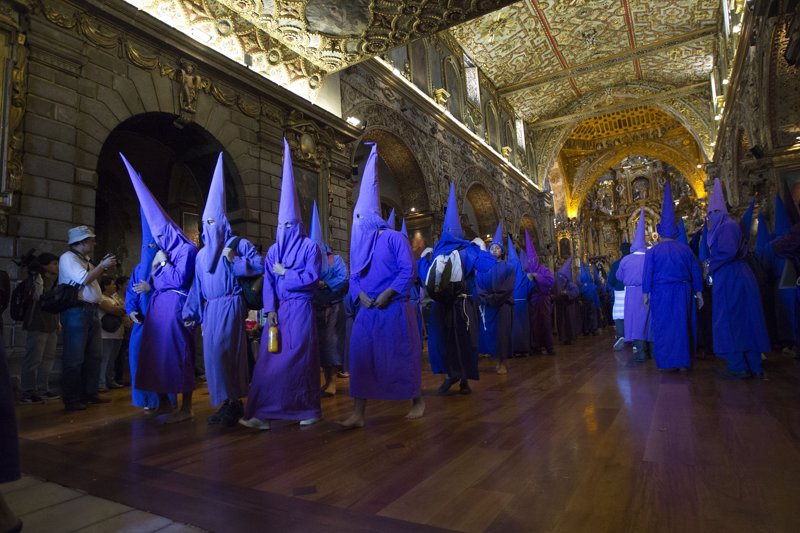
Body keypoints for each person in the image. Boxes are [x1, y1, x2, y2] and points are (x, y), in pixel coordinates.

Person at [240, 139, 322, 431]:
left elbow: (311, 277)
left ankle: (306, 407)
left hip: (300, 310)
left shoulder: (310, 247)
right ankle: (263, 412)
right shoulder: (274, 250)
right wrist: (269, 308)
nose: (285, 231)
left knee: (299, 358)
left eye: (290, 226)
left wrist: (285, 273)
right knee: (270, 361)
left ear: (297, 225)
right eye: (281, 226)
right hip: (280, 312)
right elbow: (268, 284)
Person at [340, 142, 423, 428]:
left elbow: (408, 270)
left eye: (361, 218)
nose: (358, 222)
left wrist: (388, 293)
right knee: (361, 357)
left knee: (400, 356)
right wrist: (359, 295)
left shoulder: (394, 239)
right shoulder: (360, 244)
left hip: (393, 308)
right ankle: (359, 412)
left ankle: (416, 399)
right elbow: (353, 276)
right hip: (368, 309)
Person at [183, 153, 263, 426]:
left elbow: (258, 265)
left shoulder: (238, 245)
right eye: (205, 223)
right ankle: (227, 401)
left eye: (213, 222)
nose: (209, 228)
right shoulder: (202, 255)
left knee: (227, 352)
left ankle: (234, 401)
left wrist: (235, 261)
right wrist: (192, 310)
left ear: (223, 223)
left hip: (231, 304)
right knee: (213, 356)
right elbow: (196, 285)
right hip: (211, 309)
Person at [122, 154, 198, 423]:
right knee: (159, 357)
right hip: (158, 309)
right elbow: (151, 282)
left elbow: (177, 280)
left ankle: (186, 408)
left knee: (179, 355)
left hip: (177, 307)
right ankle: (165, 403)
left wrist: (161, 266)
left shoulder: (186, 249)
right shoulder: (161, 254)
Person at [426, 182, 493, 395]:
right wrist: (481, 247)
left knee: (445, 340)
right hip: (464, 304)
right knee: (466, 341)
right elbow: (487, 266)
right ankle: (464, 380)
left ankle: (449, 376)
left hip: (442, 304)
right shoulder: (468, 250)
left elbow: (424, 276)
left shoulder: (438, 251)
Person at [705, 178, 771, 378]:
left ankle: (738, 366)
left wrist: (709, 266)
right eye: (709, 213)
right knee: (746, 319)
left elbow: (727, 252)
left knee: (731, 320)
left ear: (720, 211)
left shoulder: (726, 227)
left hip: (730, 277)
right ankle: (752, 364)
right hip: (737, 275)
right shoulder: (729, 225)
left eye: (713, 212)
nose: (710, 216)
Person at [642, 183, 704, 372]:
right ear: (676, 231)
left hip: (661, 292)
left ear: (659, 232)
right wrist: (699, 293)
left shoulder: (653, 252)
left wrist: (645, 294)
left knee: (663, 326)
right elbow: (696, 271)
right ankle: (684, 362)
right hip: (683, 291)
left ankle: (667, 363)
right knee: (683, 325)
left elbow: (648, 273)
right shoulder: (685, 249)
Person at [59, 225, 117, 411]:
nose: (94, 242)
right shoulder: (68, 258)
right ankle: (72, 398)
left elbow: (93, 283)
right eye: (91, 240)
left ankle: (90, 392)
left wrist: (100, 267)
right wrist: (102, 266)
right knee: (74, 357)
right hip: (77, 311)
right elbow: (83, 279)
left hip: (91, 311)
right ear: (82, 242)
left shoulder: (86, 260)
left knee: (95, 355)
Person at [309, 200, 348, 397]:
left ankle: (332, 383)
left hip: (333, 308)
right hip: (315, 308)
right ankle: (326, 381)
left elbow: (342, 278)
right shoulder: (307, 258)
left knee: (332, 344)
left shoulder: (336, 260)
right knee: (321, 346)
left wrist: (324, 283)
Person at [125, 210, 163, 411]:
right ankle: (144, 400)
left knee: (160, 362)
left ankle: (164, 400)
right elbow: (131, 294)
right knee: (138, 361)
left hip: (161, 323)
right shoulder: (139, 269)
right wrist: (131, 311)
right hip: (141, 324)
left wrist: (153, 288)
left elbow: (173, 288)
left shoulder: (165, 265)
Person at [20, 252, 61, 403]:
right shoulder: (37, 279)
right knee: (33, 358)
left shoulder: (52, 280)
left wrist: (58, 321)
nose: (57, 266)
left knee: (48, 358)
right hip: (37, 323)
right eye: (54, 263)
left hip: (50, 323)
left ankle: (43, 388)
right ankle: (28, 391)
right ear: (44, 265)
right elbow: (38, 297)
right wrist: (37, 276)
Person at [476, 223, 515, 374]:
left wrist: (494, 298)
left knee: (502, 334)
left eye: (497, 248)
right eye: (492, 248)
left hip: (502, 304)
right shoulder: (483, 267)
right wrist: (485, 298)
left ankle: (502, 361)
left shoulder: (509, 267)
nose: (494, 250)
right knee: (489, 334)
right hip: (488, 305)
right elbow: (479, 283)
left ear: (502, 251)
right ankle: (492, 358)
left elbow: (508, 286)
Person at [616, 209, 651, 362]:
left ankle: (640, 352)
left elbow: (619, 276)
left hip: (631, 294)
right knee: (649, 320)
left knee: (635, 321)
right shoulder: (650, 256)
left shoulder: (625, 260)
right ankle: (653, 351)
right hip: (648, 292)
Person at [525, 230, 555, 356]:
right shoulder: (525, 271)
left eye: (534, 259)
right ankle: (536, 347)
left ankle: (549, 347)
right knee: (534, 325)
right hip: (532, 301)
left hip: (543, 300)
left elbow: (550, 282)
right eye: (530, 260)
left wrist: (537, 276)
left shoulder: (543, 270)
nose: (532, 262)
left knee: (545, 323)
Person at [98, 276, 126, 391]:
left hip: (118, 332)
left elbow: (122, 308)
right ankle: (101, 383)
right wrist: (120, 308)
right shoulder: (101, 297)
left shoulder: (114, 298)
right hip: (106, 333)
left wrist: (119, 308)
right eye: (112, 284)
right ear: (105, 286)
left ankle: (110, 380)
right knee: (104, 359)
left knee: (112, 359)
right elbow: (111, 309)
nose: (114, 286)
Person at [508, 236, 533, 357]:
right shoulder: (508, 277)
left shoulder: (524, 277)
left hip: (522, 306)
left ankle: (524, 348)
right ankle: (515, 348)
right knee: (514, 328)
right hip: (513, 306)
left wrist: (532, 280)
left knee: (522, 328)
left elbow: (530, 289)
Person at [608, 239, 631, 350]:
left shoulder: (616, 264)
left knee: (619, 314)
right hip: (633, 291)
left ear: (621, 251)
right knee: (633, 313)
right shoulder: (634, 262)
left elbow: (611, 280)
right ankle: (635, 337)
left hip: (619, 292)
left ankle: (621, 336)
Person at [554, 257, 580, 344]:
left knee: (569, 322)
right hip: (560, 306)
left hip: (569, 305)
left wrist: (567, 293)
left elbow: (576, 292)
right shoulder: (557, 282)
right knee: (561, 322)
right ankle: (563, 337)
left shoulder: (571, 284)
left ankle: (570, 337)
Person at [578, 261, 599, 336]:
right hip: (591, 297)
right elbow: (597, 281)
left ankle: (586, 329)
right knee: (592, 314)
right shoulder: (591, 270)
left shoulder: (579, 272)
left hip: (584, 298)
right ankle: (593, 329)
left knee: (585, 314)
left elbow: (578, 283)